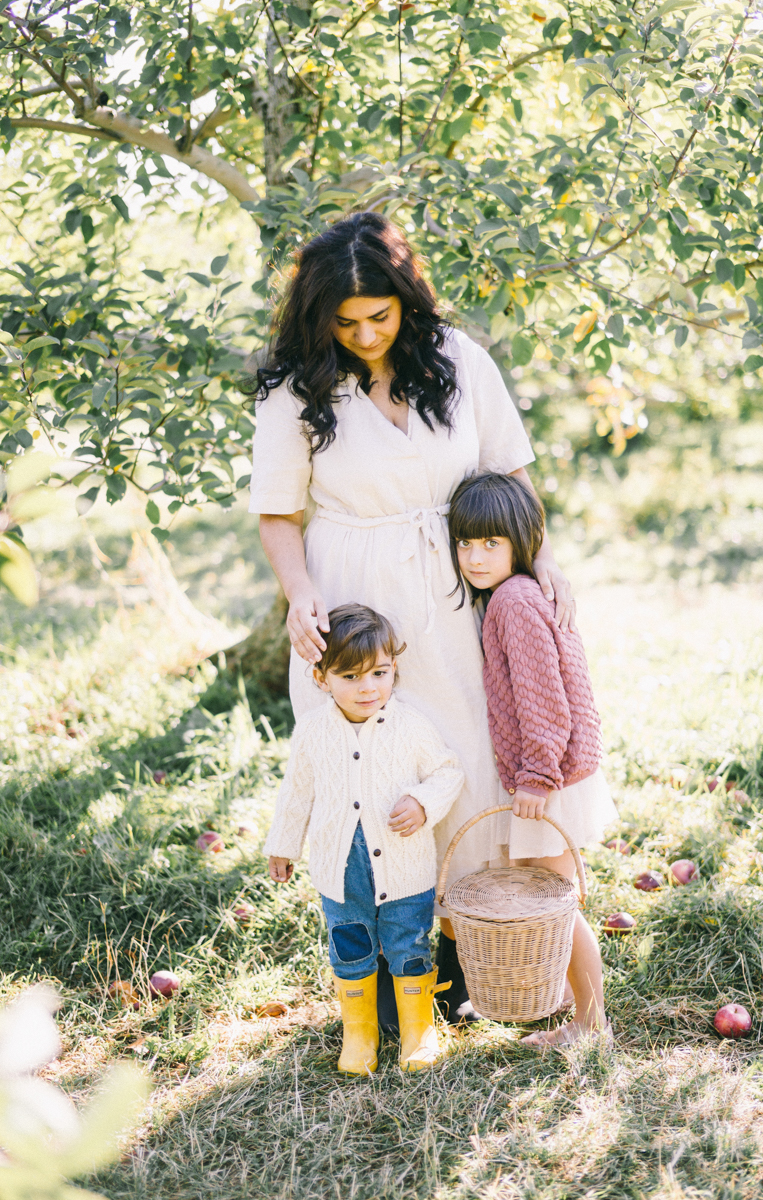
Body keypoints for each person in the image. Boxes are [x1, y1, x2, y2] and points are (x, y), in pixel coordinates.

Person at [249, 211, 576, 1026]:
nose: (364, 334)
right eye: (345, 321)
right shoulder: (295, 389)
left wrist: (539, 566)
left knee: (467, 754)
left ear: (406, 298)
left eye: (379, 315)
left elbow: (511, 472)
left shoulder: (460, 362)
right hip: (356, 595)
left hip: (464, 582)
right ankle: (397, 966)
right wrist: (299, 595)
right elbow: (278, 513)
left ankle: (477, 945)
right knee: (377, 773)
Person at [448, 472, 618, 1047]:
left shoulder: (515, 603)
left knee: (558, 908)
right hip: (562, 771)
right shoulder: (513, 595)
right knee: (556, 900)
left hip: (556, 775)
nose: (474, 556)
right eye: (465, 543)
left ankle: (592, 1026)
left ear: (522, 542)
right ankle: (569, 999)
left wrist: (537, 776)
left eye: (490, 543)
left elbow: (547, 702)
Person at [265, 603, 464, 1073]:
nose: (368, 687)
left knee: (408, 944)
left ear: (394, 669)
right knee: (350, 944)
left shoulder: (410, 726)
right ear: (321, 678)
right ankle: (360, 1032)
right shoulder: (313, 732)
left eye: (379, 672)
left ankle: (418, 1031)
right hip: (340, 871)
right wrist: (283, 843)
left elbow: (447, 771)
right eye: (350, 677)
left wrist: (422, 802)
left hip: (405, 869)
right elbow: (297, 793)